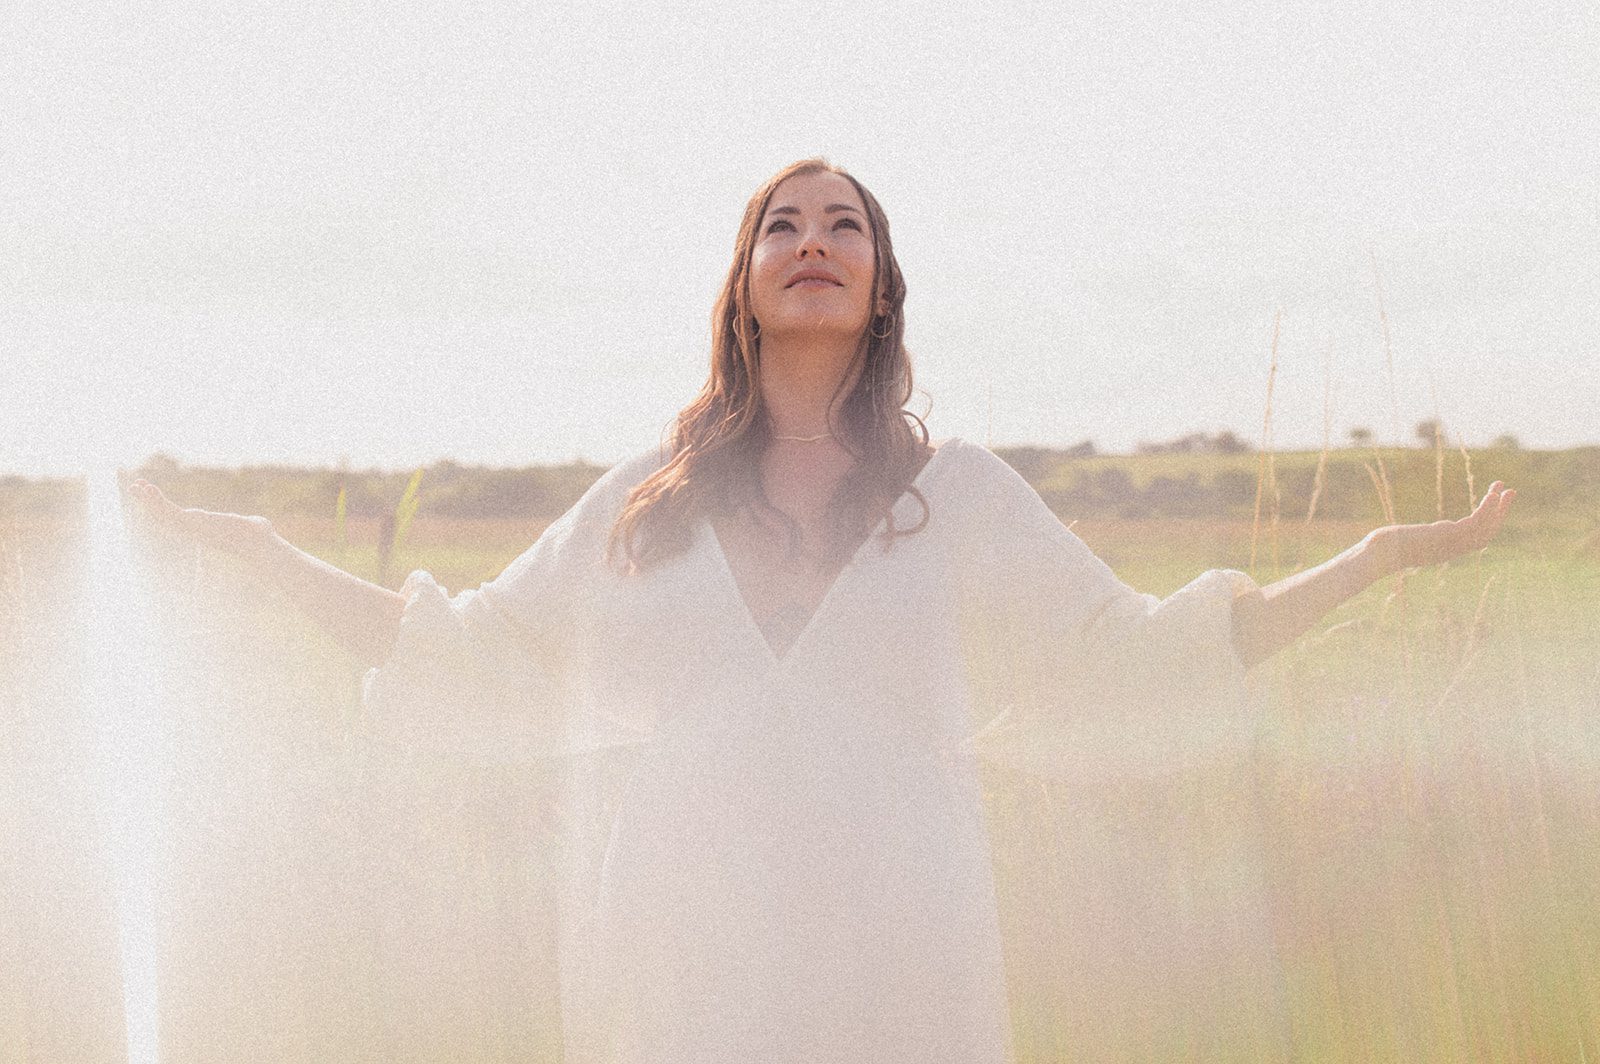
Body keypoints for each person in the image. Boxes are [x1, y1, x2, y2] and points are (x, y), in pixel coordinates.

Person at [126, 158, 1516, 1063]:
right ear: (741, 283)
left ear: (879, 286)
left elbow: (1147, 658)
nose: (812, 240)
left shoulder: (960, 496)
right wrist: (259, 554)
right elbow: (466, 652)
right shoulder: (643, 503)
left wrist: (1378, 559)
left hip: (907, 955)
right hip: (675, 957)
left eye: (843, 223)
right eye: (779, 225)